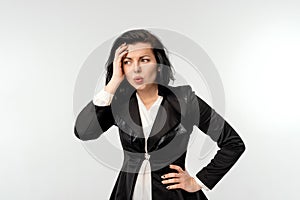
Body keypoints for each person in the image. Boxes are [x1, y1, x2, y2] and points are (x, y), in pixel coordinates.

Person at [74, 29, 246, 200]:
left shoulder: (185, 100)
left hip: (175, 195)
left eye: (145, 60)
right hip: (128, 192)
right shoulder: (118, 104)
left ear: (158, 64)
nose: (136, 69)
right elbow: (84, 132)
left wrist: (198, 181)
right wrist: (113, 83)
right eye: (127, 61)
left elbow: (233, 143)